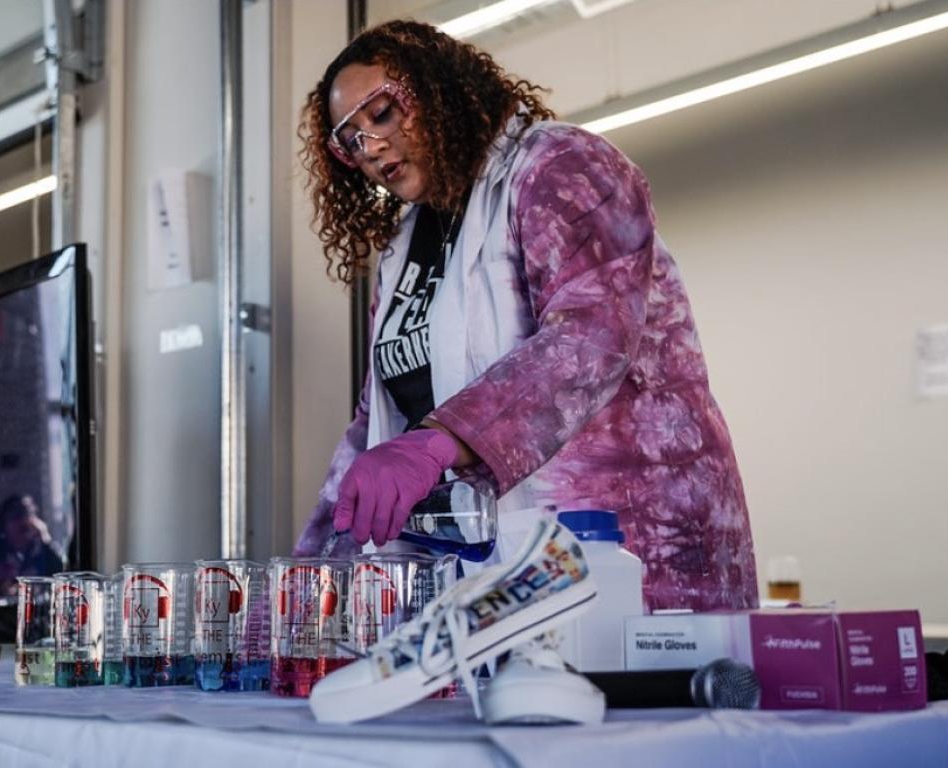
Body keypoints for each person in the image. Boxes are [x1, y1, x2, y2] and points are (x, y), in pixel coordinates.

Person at [294, 20, 757, 612]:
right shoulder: (403, 249)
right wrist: (305, 587)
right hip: (484, 569)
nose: (371, 147)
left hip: (626, 547)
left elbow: (590, 338)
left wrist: (438, 443)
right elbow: (372, 428)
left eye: (381, 113)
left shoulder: (559, 166)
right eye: (350, 140)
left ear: (438, 90)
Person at [0, 494, 64, 599]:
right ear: (4, 523)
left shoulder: (43, 553)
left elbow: (61, 576)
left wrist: (46, 541)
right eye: (16, 517)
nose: (23, 522)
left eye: (28, 515)